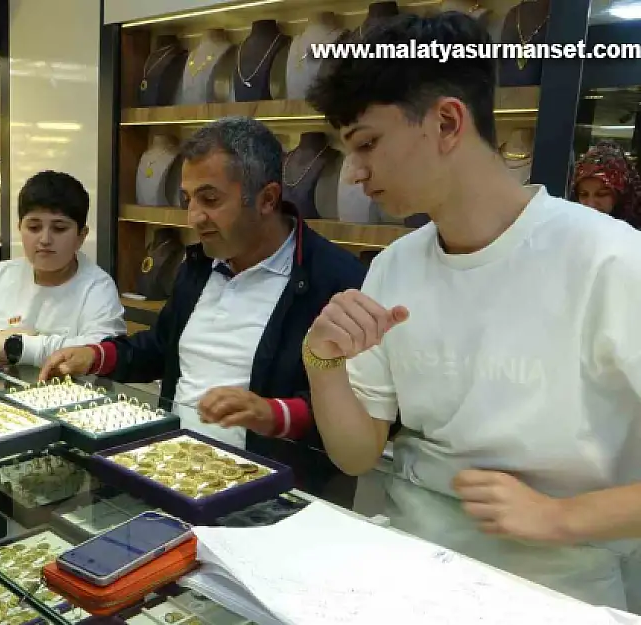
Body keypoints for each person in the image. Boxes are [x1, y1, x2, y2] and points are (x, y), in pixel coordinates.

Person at [304, 13, 641, 609]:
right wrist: (322, 361)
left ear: (447, 121)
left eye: (366, 144)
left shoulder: (611, 261)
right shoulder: (395, 267)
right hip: (405, 564)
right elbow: (357, 454)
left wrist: (559, 518)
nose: (355, 172)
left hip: (558, 584)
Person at [41, 117, 365, 498]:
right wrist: (94, 356)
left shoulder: (336, 282)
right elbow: (161, 348)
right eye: (188, 200)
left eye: (210, 200)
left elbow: (364, 412)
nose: (193, 217)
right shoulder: (198, 266)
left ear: (267, 199)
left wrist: (272, 414)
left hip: (271, 500)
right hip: (173, 472)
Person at [0, 170, 125, 367]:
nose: (45, 240)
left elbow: (98, 351)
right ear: (19, 228)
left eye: (59, 229)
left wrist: (12, 345)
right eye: (34, 228)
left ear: (81, 236)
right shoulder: (2, 275)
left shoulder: (97, 288)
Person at [573, 140, 641, 229]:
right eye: (583, 194)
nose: (590, 204)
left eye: (601, 194)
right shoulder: (572, 227)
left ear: (621, 194)